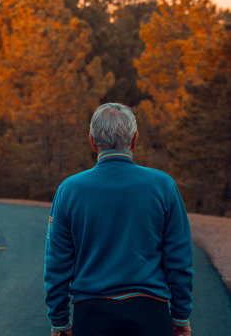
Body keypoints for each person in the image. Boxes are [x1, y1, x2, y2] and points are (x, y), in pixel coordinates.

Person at [44, 103, 193, 336]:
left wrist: (60, 321)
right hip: (151, 313)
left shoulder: (69, 190)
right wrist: (181, 316)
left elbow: (56, 263)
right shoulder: (163, 186)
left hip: (91, 314)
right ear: (134, 140)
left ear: (92, 141)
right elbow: (179, 258)